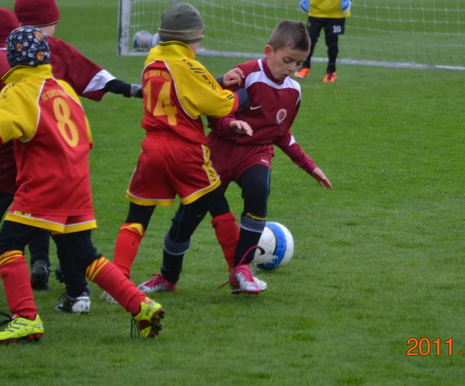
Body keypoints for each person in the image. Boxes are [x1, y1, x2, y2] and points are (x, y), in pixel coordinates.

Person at [0, 26, 164, 343]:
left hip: (45, 184)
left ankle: (25, 318)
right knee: (84, 255)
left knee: (6, 245)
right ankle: (141, 305)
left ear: (12, 59)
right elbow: (87, 138)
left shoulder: (17, 91)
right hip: (78, 183)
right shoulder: (64, 88)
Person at [0, 0, 139, 316]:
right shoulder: (53, 57)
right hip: (59, 160)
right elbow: (93, 81)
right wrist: (133, 90)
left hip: (11, 156)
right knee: (65, 230)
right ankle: (81, 293)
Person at [139, 20, 332, 295]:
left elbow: (282, 135)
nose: (291, 68)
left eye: (298, 62)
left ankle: (241, 269)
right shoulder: (245, 74)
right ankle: (167, 277)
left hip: (256, 152)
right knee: (189, 215)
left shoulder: (293, 92)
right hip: (219, 150)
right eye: (287, 60)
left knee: (258, 189)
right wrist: (231, 124)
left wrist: (310, 166)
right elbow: (214, 111)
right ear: (269, 51)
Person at [106, 2, 259, 298]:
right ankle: (238, 273)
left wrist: (215, 81)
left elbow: (182, 89)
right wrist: (241, 95)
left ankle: (117, 282)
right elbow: (219, 105)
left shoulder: (152, 59)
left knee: (137, 216)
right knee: (218, 207)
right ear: (193, 38)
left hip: (151, 149)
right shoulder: (189, 66)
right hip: (184, 150)